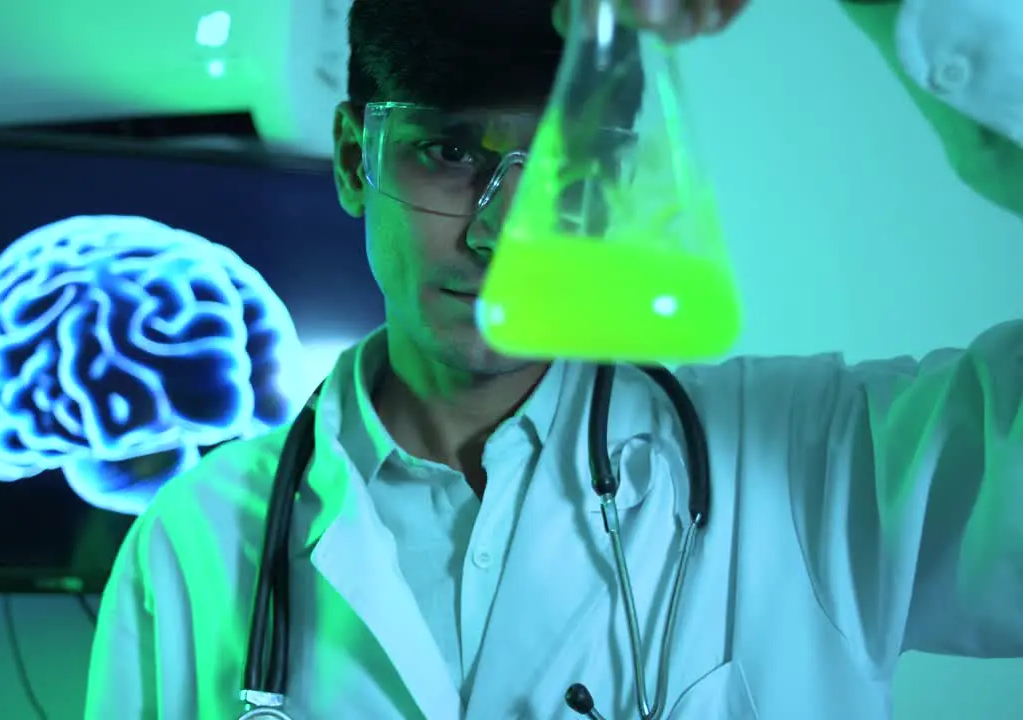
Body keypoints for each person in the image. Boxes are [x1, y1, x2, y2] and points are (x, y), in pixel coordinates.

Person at [85, 0, 1023, 718]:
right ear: (350, 158)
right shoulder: (192, 550)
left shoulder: (824, 469)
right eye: (450, 152)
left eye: (560, 171)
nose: (503, 233)